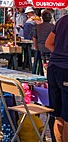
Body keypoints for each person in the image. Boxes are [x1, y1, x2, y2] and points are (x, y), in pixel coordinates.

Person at [45, 14, 68, 142]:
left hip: (53, 67)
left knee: (58, 114)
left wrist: (60, 54)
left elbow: (49, 43)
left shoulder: (62, 20)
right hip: (65, 70)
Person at [32, 10, 54, 75]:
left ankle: (38, 74)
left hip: (40, 48)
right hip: (51, 49)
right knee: (49, 64)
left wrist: (35, 47)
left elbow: (34, 38)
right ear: (50, 18)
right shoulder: (53, 27)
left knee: (38, 62)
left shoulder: (38, 27)